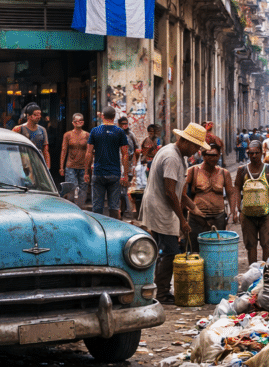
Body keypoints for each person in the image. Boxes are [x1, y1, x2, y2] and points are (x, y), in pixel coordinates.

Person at [140, 123, 210, 302]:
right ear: (185, 141)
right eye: (195, 146)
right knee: (170, 251)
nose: (196, 151)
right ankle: (162, 292)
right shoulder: (171, 157)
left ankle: (150, 288)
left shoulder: (180, 156)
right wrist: (182, 221)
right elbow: (170, 193)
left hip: (163, 206)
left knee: (156, 250)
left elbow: (181, 192)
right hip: (160, 207)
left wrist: (195, 210)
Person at [235, 140, 269, 264]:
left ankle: (265, 271)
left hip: (267, 212)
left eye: (256, 153)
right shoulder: (242, 170)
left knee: (267, 244)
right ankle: (253, 271)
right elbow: (236, 188)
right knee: (250, 245)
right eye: (251, 153)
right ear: (248, 154)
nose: (254, 156)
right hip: (247, 213)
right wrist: (237, 208)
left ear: (262, 153)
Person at [185, 143, 238, 253]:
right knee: (195, 251)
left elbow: (230, 193)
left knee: (217, 250)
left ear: (219, 156)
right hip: (197, 218)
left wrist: (233, 211)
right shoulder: (193, 171)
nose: (213, 158)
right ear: (203, 156)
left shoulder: (224, 173)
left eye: (215, 155)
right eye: (209, 155)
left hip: (218, 218)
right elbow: (182, 194)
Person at [84, 106, 129, 219]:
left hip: (98, 172)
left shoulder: (95, 131)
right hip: (114, 173)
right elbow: (125, 154)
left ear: (102, 116)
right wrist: (126, 175)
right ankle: (113, 229)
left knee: (97, 206)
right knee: (113, 206)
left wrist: (86, 172)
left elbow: (88, 153)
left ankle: (98, 229)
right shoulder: (120, 132)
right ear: (114, 117)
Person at [60, 113, 89, 204]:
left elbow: (90, 152)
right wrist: (61, 167)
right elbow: (64, 151)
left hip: (83, 166)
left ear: (83, 122)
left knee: (83, 189)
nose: (78, 123)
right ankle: (72, 207)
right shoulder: (68, 135)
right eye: (76, 121)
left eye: (80, 121)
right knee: (72, 188)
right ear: (73, 123)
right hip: (70, 166)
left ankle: (80, 207)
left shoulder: (87, 135)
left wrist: (90, 166)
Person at [14, 103, 51, 168]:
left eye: (39, 114)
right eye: (35, 115)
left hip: (38, 162)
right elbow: (12, 147)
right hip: (23, 162)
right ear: (28, 116)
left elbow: (45, 150)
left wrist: (47, 167)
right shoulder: (19, 129)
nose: (38, 117)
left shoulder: (42, 130)